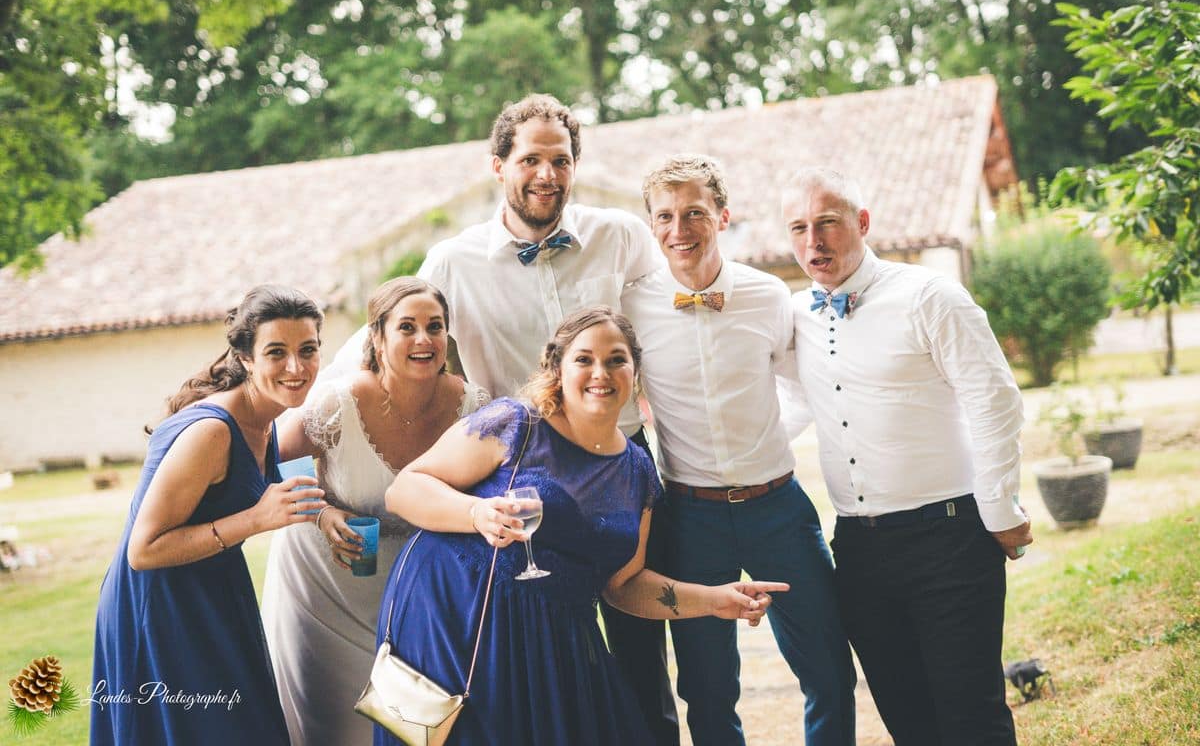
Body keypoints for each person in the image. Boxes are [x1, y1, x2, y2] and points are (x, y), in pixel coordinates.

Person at [373, 306, 787, 746]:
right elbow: (405, 489)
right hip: (457, 614)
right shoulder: (515, 424)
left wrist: (714, 600)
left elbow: (624, 585)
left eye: (616, 360)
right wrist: (474, 514)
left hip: (553, 638)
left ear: (634, 371)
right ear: (557, 366)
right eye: (584, 359)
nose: (600, 373)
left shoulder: (637, 472)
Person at [415, 93, 679, 742]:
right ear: (498, 166)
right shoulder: (452, 262)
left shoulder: (620, 235)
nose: (547, 174)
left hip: (618, 464)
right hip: (517, 474)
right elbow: (386, 343)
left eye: (560, 160)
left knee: (642, 648)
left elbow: (673, 324)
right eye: (531, 159)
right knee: (537, 651)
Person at [780, 167, 1032, 746]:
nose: (813, 241)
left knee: (971, 716)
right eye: (799, 228)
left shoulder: (930, 296)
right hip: (860, 549)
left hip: (950, 539)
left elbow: (994, 399)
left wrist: (1000, 509)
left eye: (828, 223)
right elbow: (792, 403)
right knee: (905, 715)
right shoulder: (794, 314)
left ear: (862, 223)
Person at [622, 155, 856, 746]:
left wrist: (766, 441)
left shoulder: (768, 294)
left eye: (695, 212)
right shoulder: (632, 306)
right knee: (706, 687)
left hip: (778, 509)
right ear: (651, 226)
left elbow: (800, 386)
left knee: (827, 669)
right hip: (689, 516)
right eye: (667, 216)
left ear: (722, 217)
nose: (682, 229)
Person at [91, 285, 328, 746]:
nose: (296, 367)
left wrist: (326, 516)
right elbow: (143, 550)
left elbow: (267, 491)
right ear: (245, 359)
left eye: (308, 350)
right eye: (276, 352)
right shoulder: (212, 432)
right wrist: (257, 520)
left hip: (215, 591)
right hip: (160, 607)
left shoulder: (264, 420)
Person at [260, 277, 489, 745]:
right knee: (337, 729)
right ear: (378, 339)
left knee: (415, 726)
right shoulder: (337, 404)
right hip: (326, 592)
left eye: (435, 326)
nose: (424, 339)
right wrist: (320, 513)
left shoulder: (472, 407)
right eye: (407, 327)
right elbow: (266, 458)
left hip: (417, 599)